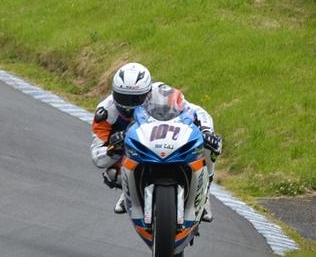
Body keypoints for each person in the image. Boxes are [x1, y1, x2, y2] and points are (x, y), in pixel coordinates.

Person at [90, 63, 223, 221]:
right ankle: (128, 193)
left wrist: (207, 131)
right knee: (112, 174)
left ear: (147, 92)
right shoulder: (105, 112)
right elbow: (97, 156)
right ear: (114, 93)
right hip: (129, 154)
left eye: (135, 99)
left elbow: (197, 111)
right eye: (123, 97)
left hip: (166, 140)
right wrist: (113, 148)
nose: (127, 106)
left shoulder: (162, 93)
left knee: (209, 144)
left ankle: (204, 191)